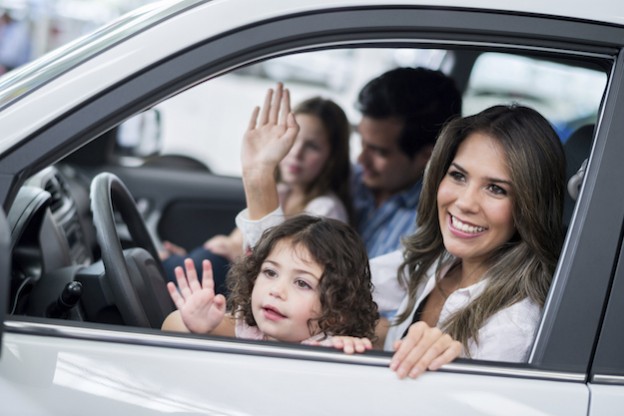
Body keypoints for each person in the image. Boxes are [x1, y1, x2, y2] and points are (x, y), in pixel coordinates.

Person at [235, 85, 565, 378]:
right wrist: (259, 174)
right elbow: (324, 281)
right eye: (458, 176)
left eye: (495, 189)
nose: (464, 202)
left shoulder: (512, 326)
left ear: (530, 206)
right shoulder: (436, 260)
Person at [160, 95, 353, 295]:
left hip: (260, 292)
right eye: (291, 140)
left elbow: (293, 271)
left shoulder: (326, 209)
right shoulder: (280, 191)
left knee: (169, 269)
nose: (297, 153)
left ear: (332, 157)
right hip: (238, 280)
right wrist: (190, 258)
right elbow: (235, 242)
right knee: (173, 264)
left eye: (312, 146)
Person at [162, 214, 378, 355]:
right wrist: (196, 327)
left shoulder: (329, 347)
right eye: (270, 272)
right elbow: (171, 326)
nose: (276, 291)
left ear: (337, 310)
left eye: (302, 283)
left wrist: (349, 351)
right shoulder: (249, 329)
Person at [352, 67, 462, 257]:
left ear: (427, 156)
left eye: (379, 151)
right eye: (361, 140)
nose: (360, 159)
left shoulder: (434, 227)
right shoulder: (342, 180)